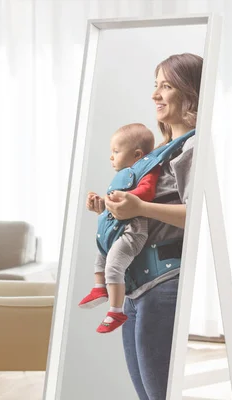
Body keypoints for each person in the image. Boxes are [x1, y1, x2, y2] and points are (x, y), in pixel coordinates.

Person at [104, 53, 202, 399]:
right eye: (155, 86)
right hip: (135, 286)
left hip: (162, 285)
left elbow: (198, 215)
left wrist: (139, 206)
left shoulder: (192, 147)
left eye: (167, 86)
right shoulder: (158, 152)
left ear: (190, 93)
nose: (155, 95)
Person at [79, 123, 161, 334]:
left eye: (116, 151)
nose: (111, 157)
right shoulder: (126, 174)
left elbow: (147, 191)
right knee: (101, 254)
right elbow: (117, 205)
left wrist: (124, 199)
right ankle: (99, 288)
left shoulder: (147, 170)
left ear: (136, 154)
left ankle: (116, 310)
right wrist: (102, 205)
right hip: (118, 226)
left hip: (132, 230)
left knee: (113, 266)